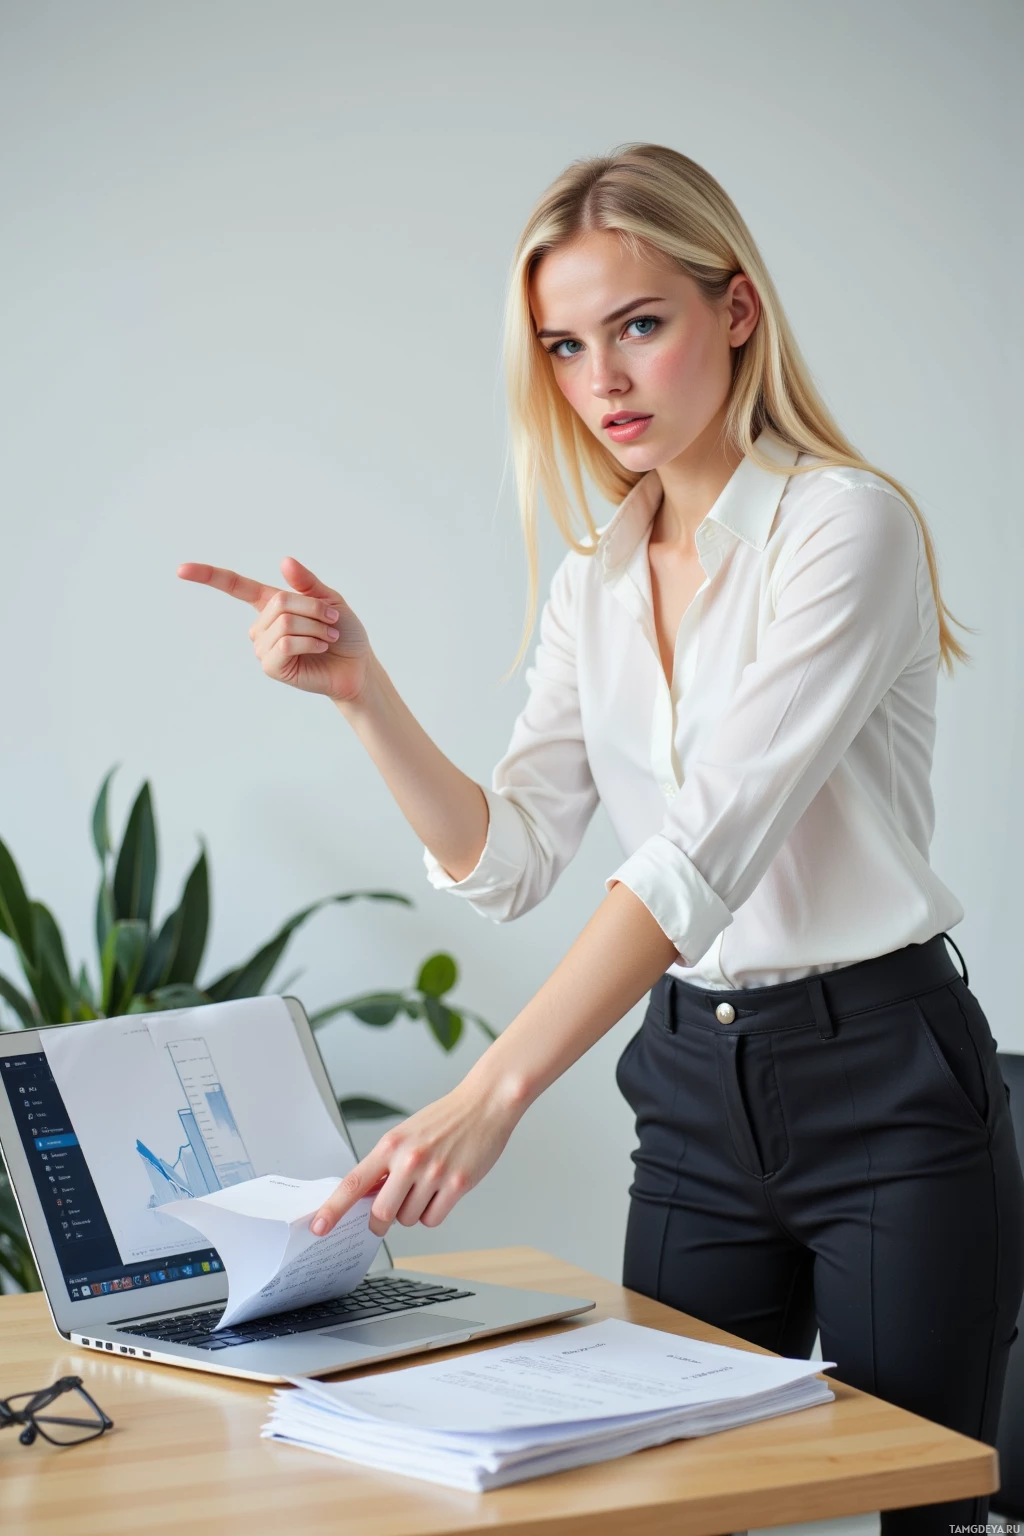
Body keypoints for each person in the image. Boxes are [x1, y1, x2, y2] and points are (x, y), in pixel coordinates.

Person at [178, 142, 1024, 1533]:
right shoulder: (599, 576)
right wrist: (362, 694)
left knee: (920, 1511)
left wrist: (494, 1091)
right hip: (693, 1086)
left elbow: (701, 855)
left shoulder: (843, 531)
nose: (604, 382)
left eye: (640, 325)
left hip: (884, 1074)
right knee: (653, 1507)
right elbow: (510, 857)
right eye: (567, 347)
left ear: (734, 311)